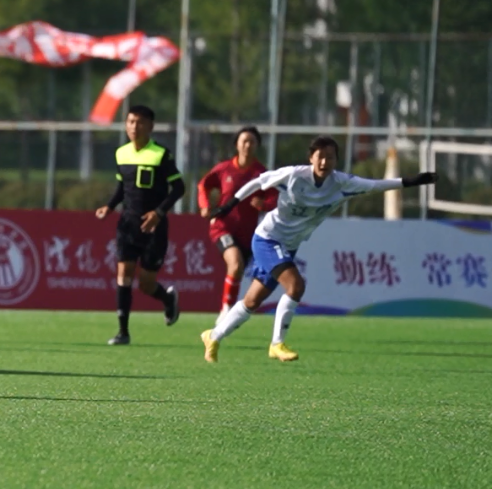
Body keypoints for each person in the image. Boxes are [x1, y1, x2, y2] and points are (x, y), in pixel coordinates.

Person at [201, 136, 437, 363]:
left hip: (289, 246)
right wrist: (230, 204)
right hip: (268, 239)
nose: (324, 162)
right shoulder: (293, 175)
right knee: (296, 285)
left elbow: (375, 185)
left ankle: (213, 336)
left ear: (336, 160)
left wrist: (411, 181)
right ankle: (277, 344)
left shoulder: (342, 184)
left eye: (330, 157)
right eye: (320, 157)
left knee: (252, 301)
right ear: (310, 158)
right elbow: (258, 182)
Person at [95, 105, 183, 346]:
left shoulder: (161, 154)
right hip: (128, 225)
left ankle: (167, 299)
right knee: (123, 274)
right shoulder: (121, 153)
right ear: (125, 124)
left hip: (154, 227)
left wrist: (158, 212)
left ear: (151, 126)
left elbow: (178, 188)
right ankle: (123, 332)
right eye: (131, 121)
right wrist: (110, 206)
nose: (135, 127)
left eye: (141, 122)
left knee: (146, 284)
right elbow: (122, 188)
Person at [197, 126, 277, 318]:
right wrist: (205, 205)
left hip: (247, 234)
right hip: (222, 227)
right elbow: (204, 185)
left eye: (252, 142)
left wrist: (264, 204)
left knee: (239, 271)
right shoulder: (225, 169)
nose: (248, 145)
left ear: (257, 145)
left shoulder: (261, 173)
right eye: (244, 141)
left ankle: (231, 311)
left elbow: (275, 198)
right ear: (237, 145)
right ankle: (226, 312)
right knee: (235, 264)